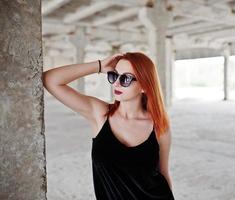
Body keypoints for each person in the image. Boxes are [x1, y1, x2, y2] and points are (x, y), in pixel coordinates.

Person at [42, 52, 175, 199]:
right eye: (114, 75)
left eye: (126, 78)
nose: (116, 83)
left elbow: (163, 173)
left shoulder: (159, 126)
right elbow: (50, 80)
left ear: (144, 86)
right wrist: (98, 66)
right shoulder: (100, 115)